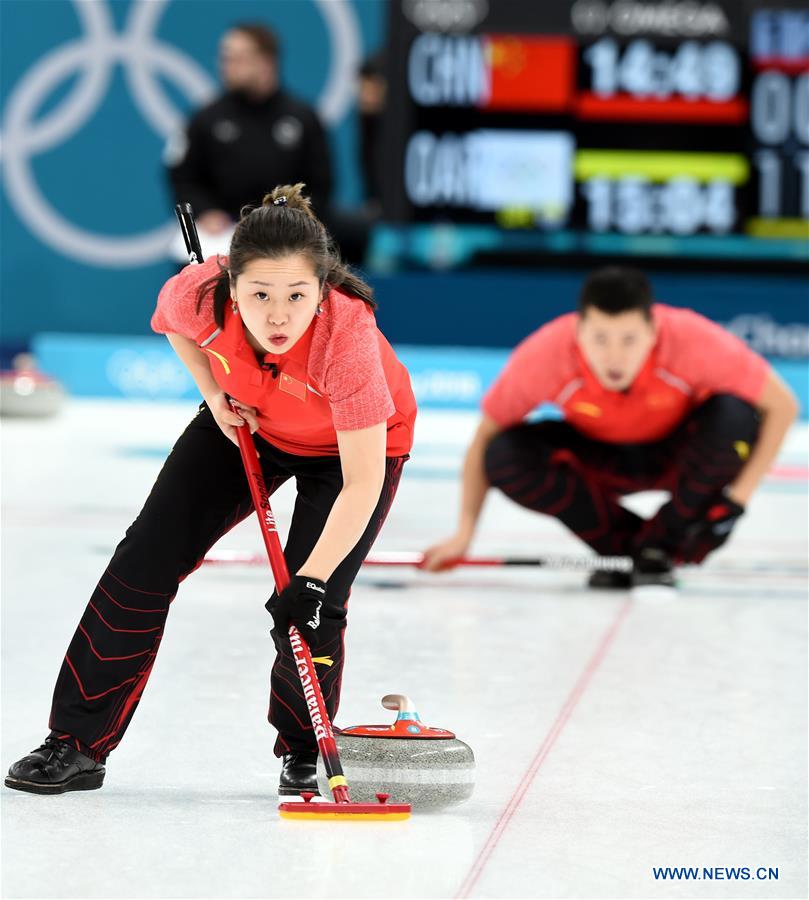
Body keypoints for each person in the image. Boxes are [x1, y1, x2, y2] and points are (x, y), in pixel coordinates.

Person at [5, 184, 416, 796]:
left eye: (297, 296)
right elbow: (172, 321)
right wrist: (213, 390)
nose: (278, 315)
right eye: (260, 295)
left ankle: (303, 749)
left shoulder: (346, 338)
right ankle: (76, 743)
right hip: (247, 420)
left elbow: (361, 481)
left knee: (313, 604)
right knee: (141, 565)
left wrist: (310, 579)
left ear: (323, 290)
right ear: (232, 288)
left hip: (351, 452)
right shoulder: (198, 293)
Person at [424, 267, 798, 588]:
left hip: (680, 457)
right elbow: (484, 438)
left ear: (654, 332)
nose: (614, 357)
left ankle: (661, 540)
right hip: (598, 460)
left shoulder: (692, 340)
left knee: (736, 415)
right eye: (600, 339)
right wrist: (464, 533)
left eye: (629, 340)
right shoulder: (546, 354)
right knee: (504, 454)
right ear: (579, 332)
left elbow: (782, 406)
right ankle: (637, 549)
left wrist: (735, 504)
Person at [166, 23, 332, 235]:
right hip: (221, 234)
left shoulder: (303, 118)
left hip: (285, 234)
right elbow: (182, 177)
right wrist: (206, 211)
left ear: (265, 63)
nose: (225, 66)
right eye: (224, 58)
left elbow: (320, 187)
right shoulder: (205, 118)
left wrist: (281, 212)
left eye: (236, 59)